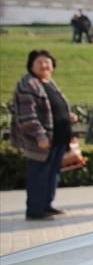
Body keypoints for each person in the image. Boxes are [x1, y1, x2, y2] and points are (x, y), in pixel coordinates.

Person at [10, 49, 78, 220]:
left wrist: (67, 116)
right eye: (39, 62)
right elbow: (27, 114)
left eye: (47, 62)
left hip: (58, 138)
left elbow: (55, 107)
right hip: (41, 141)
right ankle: (34, 210)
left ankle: (46, 205)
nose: (44, 65)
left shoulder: (49, 82)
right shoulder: (28, 84)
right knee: (38, 175)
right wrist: (39, 134)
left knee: (52, 174)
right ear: (31, 65)